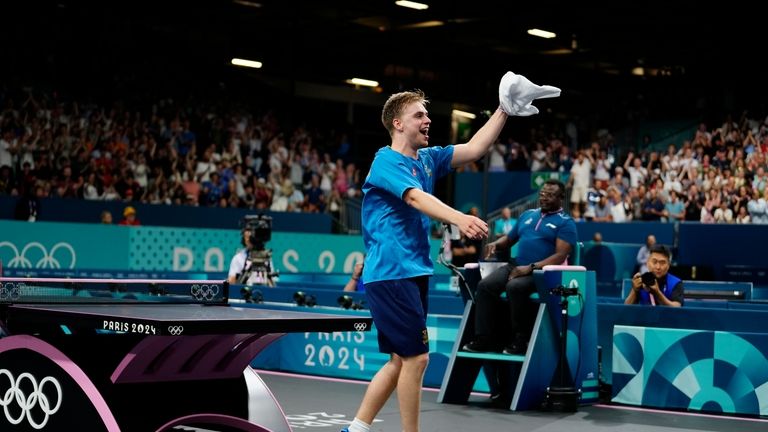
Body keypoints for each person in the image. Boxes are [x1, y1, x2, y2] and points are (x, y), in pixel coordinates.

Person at [343, 73, 559, 432]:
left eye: (427, 115)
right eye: (419, 115)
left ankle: (356, 429)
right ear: (397, 123)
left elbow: (475, 149)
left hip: (411, 272)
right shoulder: (385, 161)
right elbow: (414, 196)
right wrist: (459, 216)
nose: (428, 120)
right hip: (392, 272)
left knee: (400, 360)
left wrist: (504, 110)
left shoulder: (428, 158)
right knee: (417, 359)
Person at [461, 179, 577, 356]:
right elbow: (509, 239)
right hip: (516, 265)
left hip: (543, 272)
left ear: (561, 197)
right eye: (542, 194)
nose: (544, 198)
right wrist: (496, 245)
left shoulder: (565, 223)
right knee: (485, 286)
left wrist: (530, 268)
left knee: (515, 287)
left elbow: (561, 255)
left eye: (550, 195)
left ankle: (521, 340)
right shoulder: (527, 215)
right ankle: (485, 338)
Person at [227, 223, 276, 287]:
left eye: (250, 237)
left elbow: (272, 281)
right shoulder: (238, 258)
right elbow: (231, 282)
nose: (248, 240)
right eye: (246, 237)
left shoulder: (266, 257)